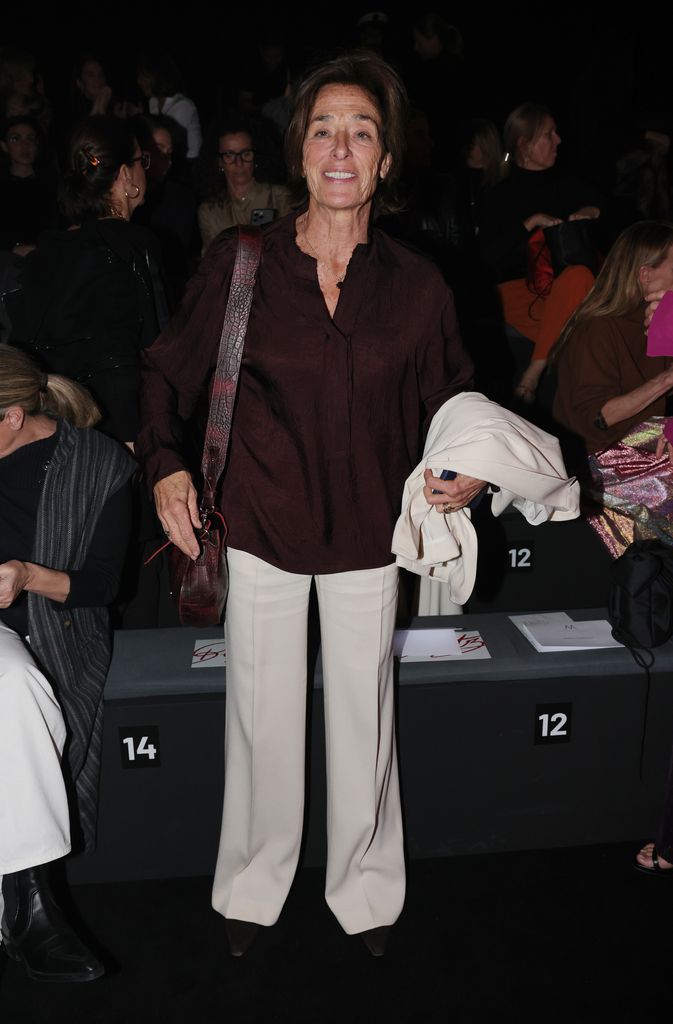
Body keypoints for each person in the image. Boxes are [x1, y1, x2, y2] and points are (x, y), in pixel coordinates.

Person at [137, 52, 477, 957]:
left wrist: (469, 471)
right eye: (324, 128)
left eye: (361, 131)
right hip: (262, 526)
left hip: (371, 529)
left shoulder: (417, 286)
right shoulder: (240, 263)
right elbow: (165, 373)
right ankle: (252, 889)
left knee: (365, 726)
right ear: (301, 149)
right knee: (260, 722)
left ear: (386, 160)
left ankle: (364, 894)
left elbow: (455, 403)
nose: (340, 147)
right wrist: (167, 467)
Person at [0, 346, 135, 982]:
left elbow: (103, 585)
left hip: (48, 630)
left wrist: (27, 576)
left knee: (20, 690)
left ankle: (26, 905)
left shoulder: (98, 463)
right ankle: (28, 910)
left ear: (13, 416)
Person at [551, 220, 673, 557]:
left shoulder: (661, 320)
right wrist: (666, 380)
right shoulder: (598, 328)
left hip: (643, 445)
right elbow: (598, 418)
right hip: (596, 458)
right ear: (646, 275)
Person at [479, 102, 601, 402]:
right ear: (525, 143)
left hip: (565, 294)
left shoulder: (569, 185)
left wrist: (592, 212)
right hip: (519, 297)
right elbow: (485, 260)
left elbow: (624, 217)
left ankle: (532, 374)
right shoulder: (499, 194)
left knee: (578, 279)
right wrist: (530, 224)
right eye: (549, 134)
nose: (558, 140)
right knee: (577, 323)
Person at [197, 119, 291, 252]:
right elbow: (212, 262)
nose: (239, 163)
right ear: (219, 162)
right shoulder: (210, 211)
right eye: (229, 156)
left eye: (245, 154)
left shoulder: (279, 196)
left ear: (256, 157)